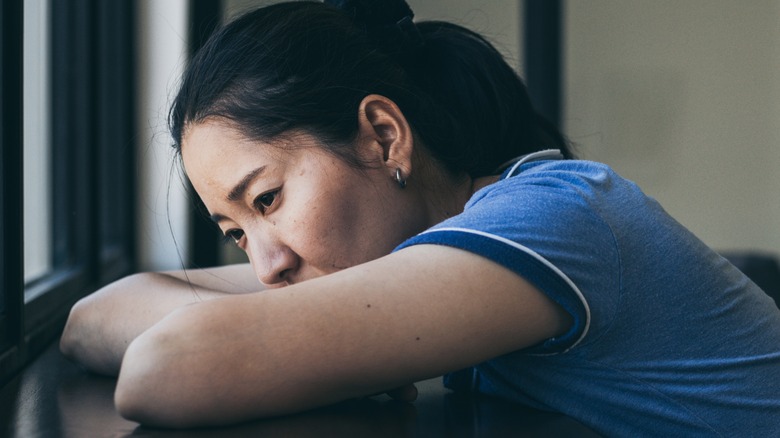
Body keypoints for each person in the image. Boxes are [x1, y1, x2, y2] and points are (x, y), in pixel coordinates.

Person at [59, 0, 780, 435]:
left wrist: (304, 353)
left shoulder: (555, 216)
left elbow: (165, 367)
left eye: (269, 199)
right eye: (237, 232)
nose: (267, 263)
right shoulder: (428, 248)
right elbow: (91, 318)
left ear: (382, 136)